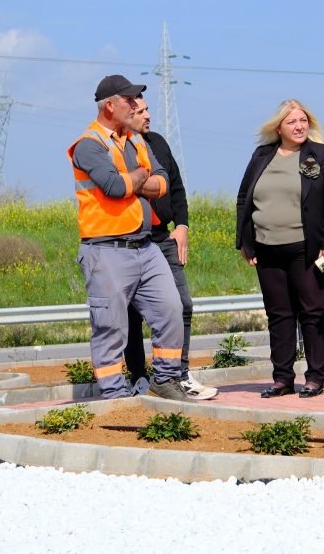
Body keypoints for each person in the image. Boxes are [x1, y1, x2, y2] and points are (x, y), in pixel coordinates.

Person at [67, 75, 191, 402]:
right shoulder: (89, 145)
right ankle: (115, 398)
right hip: (105, 250)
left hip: (145, 246)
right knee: (110, 330)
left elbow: (163, 180)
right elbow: (114, 187)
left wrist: (136, 181)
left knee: (171, 310)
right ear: (111, 105)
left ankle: (165, 381)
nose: (136, 106)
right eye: (130, 100)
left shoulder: (136, 140)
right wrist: (139, 178)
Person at [236, 100, 324, 398]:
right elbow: (244, 198)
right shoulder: (262, 156)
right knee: (279, 315)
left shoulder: (320, 156)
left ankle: (314, 377)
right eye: (292, 122)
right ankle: (282, 379)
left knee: (312, 312)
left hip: (307, 251)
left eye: (303, 120)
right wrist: (245, 242)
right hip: (267, 249)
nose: (299, 126)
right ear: (278, 128)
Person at [122, 97, 218, 400]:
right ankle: (139, 377)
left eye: (147, 109)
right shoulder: (115, 149)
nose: (148, 115)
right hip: (129, 239)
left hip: (163, 238)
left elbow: (175, 187)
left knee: (183, 304)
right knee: (132, 315)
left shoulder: (158, 143)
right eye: (140, 112)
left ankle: (179, 374)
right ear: (124, 114)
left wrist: (182, 226)